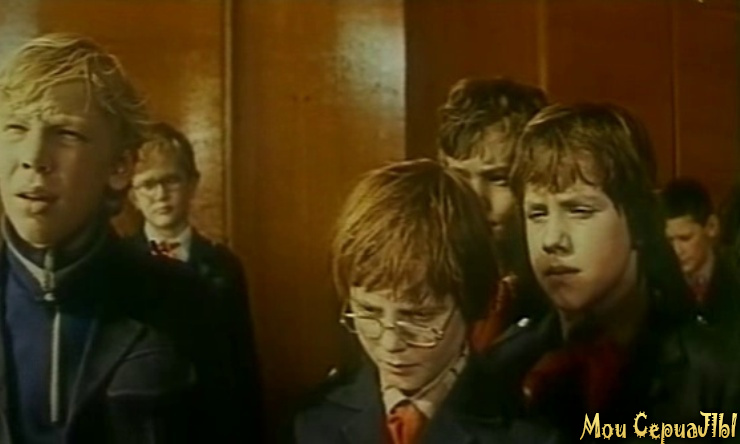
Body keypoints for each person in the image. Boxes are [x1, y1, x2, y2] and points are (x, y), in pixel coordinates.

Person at [485, 103, 733, 441]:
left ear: (639, 220)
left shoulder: (718, 374)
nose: (552, 239)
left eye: (579, 210)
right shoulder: (501, 370)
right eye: (537, 214)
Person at [0, 33, 200, 443]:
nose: (33, 158)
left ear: (120, 166)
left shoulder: (185, 303)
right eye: (16, 128)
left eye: (66, 134)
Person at [292, 159, 559, 444]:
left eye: (418, 318)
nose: (391, 343)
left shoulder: (532, 431)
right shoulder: (312, 422)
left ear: (476, 303)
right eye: (369, 311)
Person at [127, 121, 262, 440]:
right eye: (148, 184)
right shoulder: (119, 265)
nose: (161, 195)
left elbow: (243, 366)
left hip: (212, 427)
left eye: (171, 180)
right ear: (132, 195)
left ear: (192, 183)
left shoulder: (223, 266)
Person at [437, 78, 549, 351]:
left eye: (498, 179)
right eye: (459, 177)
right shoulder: (428, 282)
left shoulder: (565, 292)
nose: (476, 199)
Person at [659, 177, 740, 328]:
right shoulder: (658, 289)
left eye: (685, 238)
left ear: (711, 227)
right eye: (669, 241)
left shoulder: (735, 277)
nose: (676, 250)